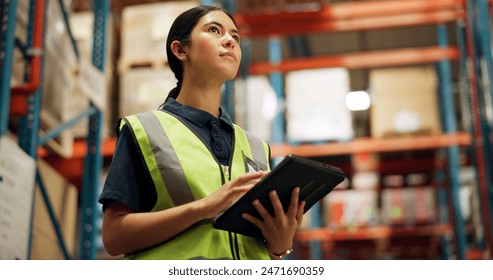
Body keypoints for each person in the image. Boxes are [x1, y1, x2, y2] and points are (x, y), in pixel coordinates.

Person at [99, 5, 305, 260]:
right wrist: (202, 208)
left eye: (235, 37)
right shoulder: (144, 131)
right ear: (180, 49)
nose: (229, 40)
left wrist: (279, 245)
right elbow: (113, 237)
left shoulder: (257, 147)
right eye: (214, 30)